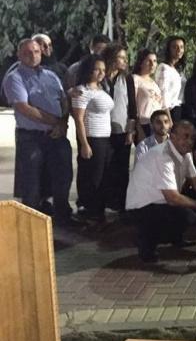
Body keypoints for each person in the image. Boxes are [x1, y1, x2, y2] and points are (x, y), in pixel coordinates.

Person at [2, 38, 76, 226]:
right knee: (32, 183)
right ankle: (31, 225)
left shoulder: (51, 75)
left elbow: (63, 100)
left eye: (36, 51)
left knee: (63, 176)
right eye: (27, 52)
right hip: (32, 138)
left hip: (57, 136)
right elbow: (24, 108)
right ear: (19, 55)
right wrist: (56, 122)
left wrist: (63, 123)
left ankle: (63, 216)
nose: (33, 55)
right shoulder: (15, 78)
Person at [126, 120, 196, 262]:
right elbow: (172, 198)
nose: (190, 141)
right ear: (173, 136)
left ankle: (176, 238)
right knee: (187, 215)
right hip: (142, 207)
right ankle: (146, 245)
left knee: (193, 205)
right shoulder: (163, 156)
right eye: (185, 136)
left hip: (161, 201)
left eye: (192, 137)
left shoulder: (185, 153)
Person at [71, 54, 114, 221]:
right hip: (92, 138)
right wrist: (84, 144)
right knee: (92, 176)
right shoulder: (82, 91)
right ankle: (89, 210)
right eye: (97, 69)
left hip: (105, 138)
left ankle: (99, 210)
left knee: (103, 176)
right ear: (89, 70)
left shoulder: (101, 88)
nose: (101, 73)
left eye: (103, 70)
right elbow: (79, 119)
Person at [100, 44, 137, 211]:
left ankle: (121, 203)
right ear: (111, 58)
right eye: (121, 57)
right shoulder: (100, 77)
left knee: (122, 168)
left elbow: (132, 106)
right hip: (102, 130)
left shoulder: (127, 78)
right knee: (105, 167)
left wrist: (131, 130)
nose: (125, 61)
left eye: (125, 58)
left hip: (122, 129)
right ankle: (104, 202)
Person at [132, 48, 164, 140]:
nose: (152, 64)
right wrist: (138, 127)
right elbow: (132, 105)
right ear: (141, 63)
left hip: (157, 124)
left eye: (154, 61)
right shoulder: (135, 79)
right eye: (149, 61)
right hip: (144, 124)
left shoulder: (154, 83)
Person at [155, 35, 187, 122]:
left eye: (181, 47)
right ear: (168, 49)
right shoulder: (164, 68)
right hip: (170, 112)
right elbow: (163, 94)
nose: (179, 50)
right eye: (175, 47)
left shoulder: (178, 70)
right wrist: (168, 119)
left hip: (181, 110)